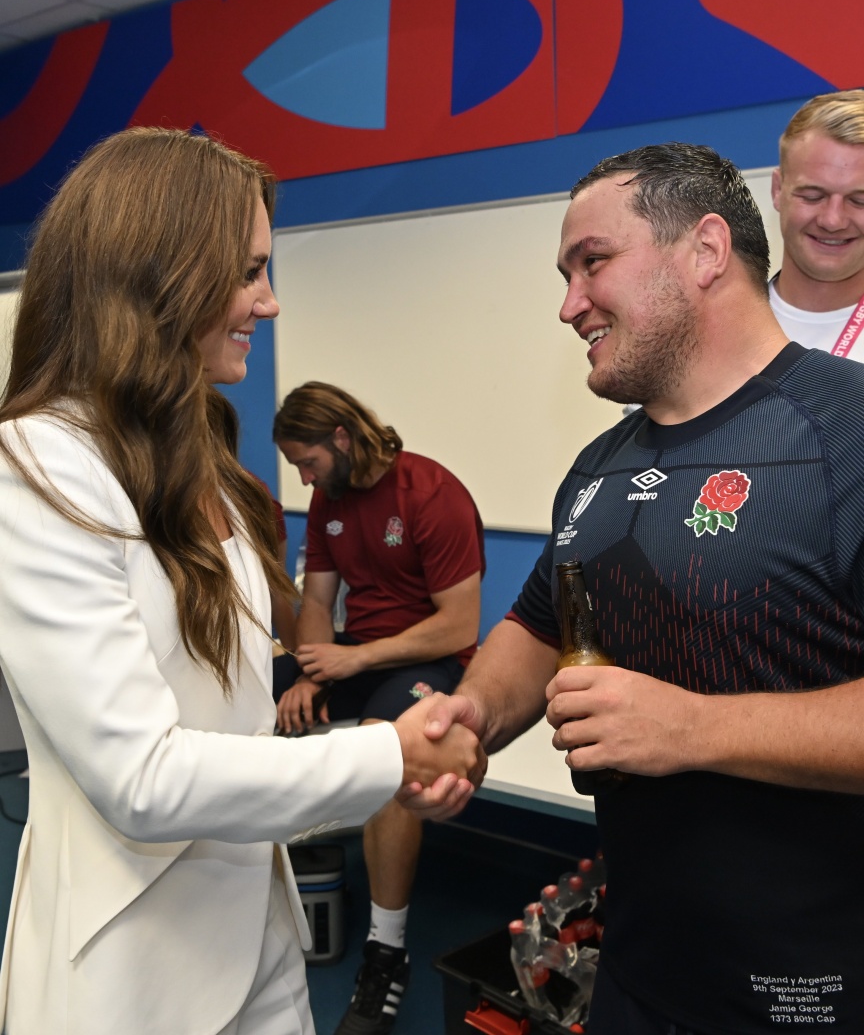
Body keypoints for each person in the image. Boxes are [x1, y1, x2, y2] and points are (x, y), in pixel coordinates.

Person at [0, 127, 483, 1035]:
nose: (268, 301)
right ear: (161, 270)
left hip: (256, 926)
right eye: (250, 270)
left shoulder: (206, 461)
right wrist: (389, 753)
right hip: (135, 965)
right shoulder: (38, 463)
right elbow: (139, 777)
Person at [408, 142, 864, 1034]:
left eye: (593, 263)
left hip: (820, 985)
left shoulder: (845, 432)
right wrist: (472, 718)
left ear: (704, 251)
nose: (570, 303)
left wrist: (692, 728)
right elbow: (543, 622)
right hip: (643, 970)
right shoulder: (599, 465)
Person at [272, 382, 484, 1035]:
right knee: (240, 693)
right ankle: (248, 906)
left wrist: (349, 663)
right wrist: (310, 669)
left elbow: (458, 626)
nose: (304, 477)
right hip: (352, 655)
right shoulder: (327, 499)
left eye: (308, 462)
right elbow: (315, 603)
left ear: (341, 438)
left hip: (427, 661)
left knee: (385, 751)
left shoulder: (431, 492)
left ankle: (385, 955)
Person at [770, 89, 864, 359]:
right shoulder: (710, 330)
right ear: (778, 190)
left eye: (859, 201)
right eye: (813, 196)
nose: (833, 220)